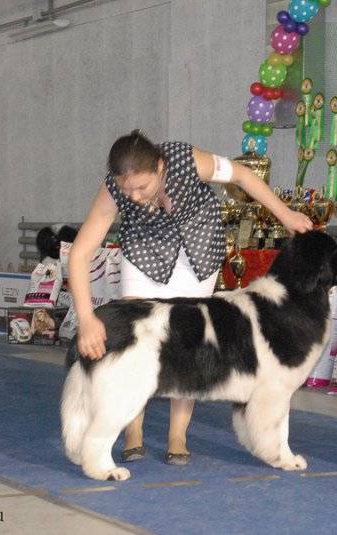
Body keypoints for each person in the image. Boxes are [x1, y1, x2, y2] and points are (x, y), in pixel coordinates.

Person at [68, 130, 312, 466]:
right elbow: (79, 253)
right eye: (128, 190)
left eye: (143, 187)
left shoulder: (187, 160)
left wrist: (285, 215)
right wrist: (86, 319)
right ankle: (131, 429)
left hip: (197, 250)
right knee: (138, 343)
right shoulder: (114, 191)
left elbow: (241, 175)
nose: (135, 197)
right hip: (145, 252)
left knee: (186, 341)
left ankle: (177, 435)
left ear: (160, 166)